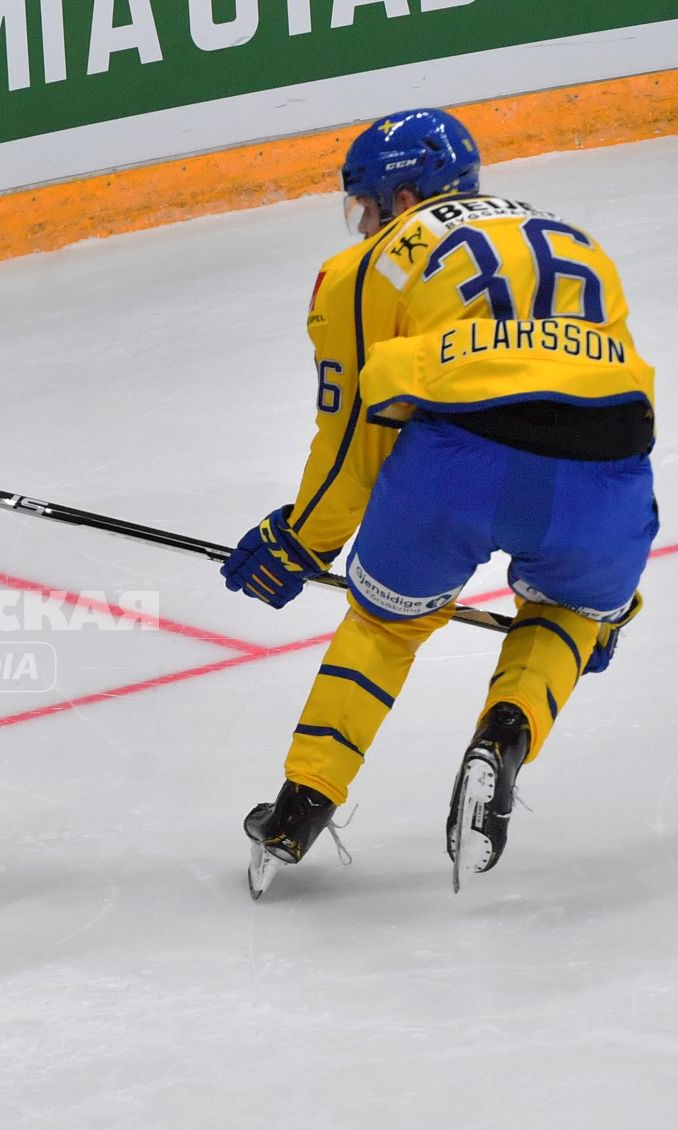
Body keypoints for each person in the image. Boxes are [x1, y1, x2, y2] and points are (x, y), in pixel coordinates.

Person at [221, 108, 657, 897]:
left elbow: (357, 425)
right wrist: (608, 601)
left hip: (460, 463)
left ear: (403, 194)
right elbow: (606, 395)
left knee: (385, 625)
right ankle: (508, 732)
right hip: (608, 473)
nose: (361, 218)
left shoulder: (365, 269)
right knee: (564, 614)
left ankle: (300, 806)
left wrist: (304, 540)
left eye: (366, 201)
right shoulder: (574, 235)